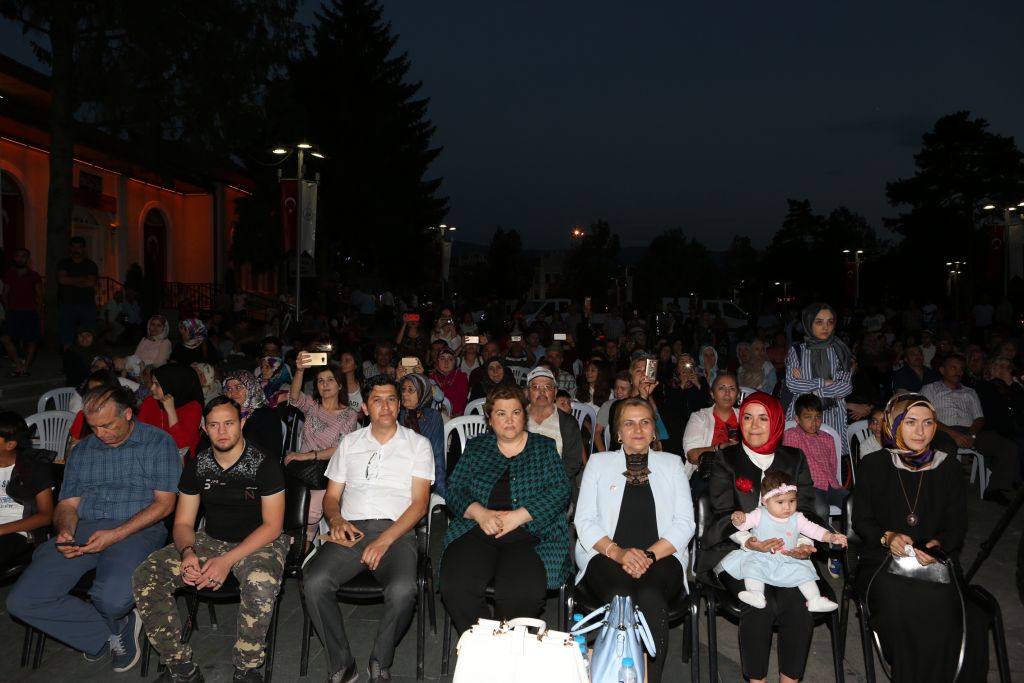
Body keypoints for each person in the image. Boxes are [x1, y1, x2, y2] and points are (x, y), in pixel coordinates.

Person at [6, 385, 180, 673]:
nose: (100, 433)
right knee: (22, 601)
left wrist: (116, 534)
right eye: (93, 426)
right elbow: (67, 505)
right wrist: (65, 530)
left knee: (110, 599)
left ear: (127, 413)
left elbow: (164, 505)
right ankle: (111, 631)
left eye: (108, 425)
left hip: (137, 530)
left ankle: (113, 620)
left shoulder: (158, 442)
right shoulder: (83, 450)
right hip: (84, 529)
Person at [132, 397, 288, 683]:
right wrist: (188, 551)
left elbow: (272, 526)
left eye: (229, 423)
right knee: (148, 574)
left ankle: (247, 668)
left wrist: (227, 561)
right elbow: (182, 523)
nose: (222, 431)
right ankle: (180, 667)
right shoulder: (198, 465)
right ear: (204, 428)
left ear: (242, 423)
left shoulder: (264, 463)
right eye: (214, 425)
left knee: (260, 581)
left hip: (260, 541)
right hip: (211, 539)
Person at [303, 376, 433, 683]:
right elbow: (332, 498)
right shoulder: (350, 443)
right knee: (314, 581)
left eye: (391, 399)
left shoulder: (418, 444)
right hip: (352, 530)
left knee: (403, 590)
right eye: (377, 399)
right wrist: (335, 520)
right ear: (365, 407)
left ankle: (380, 661)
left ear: (399, 405)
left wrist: (385, 541)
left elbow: (419, 505)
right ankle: (342, 664)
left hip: (397, 531)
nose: (385, 406)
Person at [852, 393, 987, 682]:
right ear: (894, 424)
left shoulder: (947, 466)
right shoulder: (874, 465)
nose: (921, 431)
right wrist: (887, 537)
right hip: (883, 560)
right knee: (903, 606)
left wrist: (939, 545)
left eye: (928, 423)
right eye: (910, 422)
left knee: (965, 617)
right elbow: (861, 520)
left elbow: (957, 526)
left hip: (935, 561)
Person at [697, 392, 820, 683]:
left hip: (786, 549)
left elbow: (806, 509)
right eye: (748, 417)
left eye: (763, 418)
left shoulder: (794, 458)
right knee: (760, 604)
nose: (754, 425)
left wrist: (802, 543)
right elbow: (723, 511)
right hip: (736, 548)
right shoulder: (726, 458)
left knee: (796, 603)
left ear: (776, 421)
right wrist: (749, 541)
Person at [574, 398, 693, 683]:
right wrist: (619, 554)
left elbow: (685, 523)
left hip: (663, 555)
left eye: (645, 422)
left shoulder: (672, 463)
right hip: (605, 554)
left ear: (654, 430)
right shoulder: (599, 463)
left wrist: (649, 556)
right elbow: (584, 520)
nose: (637, 429)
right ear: (617, 433)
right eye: (629, 422)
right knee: (621, 595)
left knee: (652, 597)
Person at [440, 384, 571, 633]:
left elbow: (560, 490)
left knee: (521, 594)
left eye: (515, 412)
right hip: (477, 528)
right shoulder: (477, 447)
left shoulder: (543, 447)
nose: (509, 420)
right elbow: (454, 489)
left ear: (525, 415)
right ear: (490, 419)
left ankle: (510, 648)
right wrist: (480, 512)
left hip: (531, 534)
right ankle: (485, 646)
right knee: (456, 586)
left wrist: (518, 516)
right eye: (501, 413)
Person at [721, 468, 846, 612]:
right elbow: (743, 524)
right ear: (765, 502)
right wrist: (738, 519)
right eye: (780, 502)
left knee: (803, 573)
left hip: (789, 557)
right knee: (752, 567)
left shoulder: (797, 518)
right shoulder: (759, 514)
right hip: (761, 556)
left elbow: (813, 529)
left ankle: (814, 599)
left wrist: (830, 536)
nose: (787, 507)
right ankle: (756, 594)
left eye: (792, 501)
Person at [920, 353, 1020, 503]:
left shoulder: (970, 391)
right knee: (946, 447)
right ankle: (943, 493)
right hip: (942, 430)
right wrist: (954, 434)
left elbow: (979, 418)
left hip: (970, 430)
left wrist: (972, 434)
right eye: (953, 367)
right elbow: (926, 417)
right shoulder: (929, 389)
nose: (958, 371)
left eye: (960, 368)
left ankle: (994, 489)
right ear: (942, 370)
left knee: (1008, 447)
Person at [286, 357, 360, 544]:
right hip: (301, 469)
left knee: (310, 512)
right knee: (286, 503)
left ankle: (304, 545)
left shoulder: (349, 414)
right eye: (320, 381)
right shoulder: (312, 407)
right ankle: (288, 544)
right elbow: (294, 397)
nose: (325, 385)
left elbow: (340, 449)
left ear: (340, 385)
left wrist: (307, 456)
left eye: (330, 380)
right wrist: (300, 370)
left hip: (328, 471)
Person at [782, 393, 847, 577]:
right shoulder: (792, 435)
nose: (814, 422)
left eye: (818, 417)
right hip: (809, 486)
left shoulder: (827, 439)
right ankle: (833, 549)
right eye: (808, 417)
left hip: (831, 484)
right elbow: (791, 463)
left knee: (853, 503)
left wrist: (835, 485)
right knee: (820, 509)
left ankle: (854, 549)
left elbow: (833, 466)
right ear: (797, 418)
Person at [783, 302, 853, 453]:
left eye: (830, 322)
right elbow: (793, 384)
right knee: (800, 460)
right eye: (819, 322)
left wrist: (814, 392)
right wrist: (825, 382)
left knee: (832, 462)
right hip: (802, 414)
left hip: (833, 414)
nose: (825, 327)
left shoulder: (841, 352)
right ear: (809, 323)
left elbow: (846, 387)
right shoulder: (797, 351)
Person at [0, 411, 54, 562]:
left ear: (10, 444)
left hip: (19, 532)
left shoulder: (34, 469)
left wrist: (1, 530)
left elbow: (46, 516)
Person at [524, 367, 584, 486]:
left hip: (556, 485)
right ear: (527, 393)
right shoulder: (516, 420)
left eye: (547, 387)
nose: (542, 392)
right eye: (535, 387)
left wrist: (549, 483)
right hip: (522, 484)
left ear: (555, 392)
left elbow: (573, 463)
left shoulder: (568, 423)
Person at [137, 364, 205, 459]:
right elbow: (139, 432)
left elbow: (181, 446)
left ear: (173, 384)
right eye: (152, 383)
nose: (152, 388)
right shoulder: (150, 401)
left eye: (157, 384)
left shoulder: (193, 407)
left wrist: (171, 411)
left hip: (182, 460)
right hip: (151, 454)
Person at [683, 372, 740, 483]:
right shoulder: (700, 417)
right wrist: (720, 447)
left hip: (738, 475)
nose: (727, 393)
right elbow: (692, 456)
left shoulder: (745, 416)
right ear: (712, 394)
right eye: (722, 388)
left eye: (732, 388)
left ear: (738, 394)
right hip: (708, 476)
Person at [220, 370, 284, 461]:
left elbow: (272, 454)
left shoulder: (267, 416)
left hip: (257, 469)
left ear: (251, 388)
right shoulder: (223, 414)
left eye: (238, 387)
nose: (233, 393)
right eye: (229, 389)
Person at [399, 373, 446, 496]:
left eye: (411, 390)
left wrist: (441, 488)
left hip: (422, 474)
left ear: (422, 392)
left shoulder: (432, 417)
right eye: (403, 389)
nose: (405, 394)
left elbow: (437, 454)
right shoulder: (397, 414)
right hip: (397, 473)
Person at [1, 247, 43, 376]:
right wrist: (9, 310)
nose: (20, 258)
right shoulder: (10, 275)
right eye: (18, 256)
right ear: (14, 258)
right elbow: (4, 295)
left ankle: (25, 367)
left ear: (27, 259)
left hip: (30, 312)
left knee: (31, 340)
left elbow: (40, 295)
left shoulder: (34, 275)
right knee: (4, 338)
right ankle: (18, 363)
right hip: (14, 312)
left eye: (23, 256)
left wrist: (40, 313)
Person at [57, 236, 99, 349]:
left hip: (86, 304)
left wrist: (70, 280)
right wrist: (83, 278)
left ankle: (87, 361)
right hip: (67, 304)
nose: (76, 250)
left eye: (79, 247)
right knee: (66, 335)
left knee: (88, 334)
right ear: (70, 248)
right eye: (73, 247)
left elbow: (91, 283)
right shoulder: (63, 263)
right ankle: (68, 361)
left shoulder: (91, 265)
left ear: (84, 249)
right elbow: (62, 280)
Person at [595, 371, 631, 453]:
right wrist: (603, 453)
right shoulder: (608, 405)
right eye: (616, 387)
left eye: (623, 388)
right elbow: (597, 432)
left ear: (631, 390)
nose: (618, 391)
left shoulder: (636, 405)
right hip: (615, 449)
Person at [430, 347, 469, 417]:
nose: (446, 362)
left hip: (456, 418)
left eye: (450, 359)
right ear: (437, 361)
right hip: (434, 416)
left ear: (455, 362)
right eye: (442, 358)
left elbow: (460, 403)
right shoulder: (431, 377)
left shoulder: (461, 377)